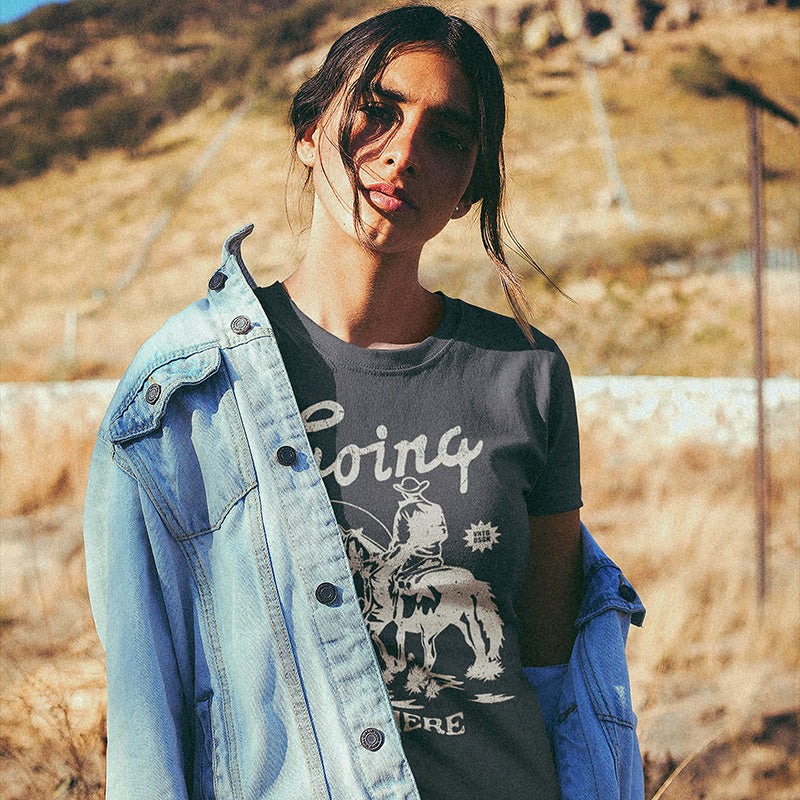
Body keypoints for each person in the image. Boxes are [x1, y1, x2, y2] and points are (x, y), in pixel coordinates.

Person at [83, 6, 645, 799]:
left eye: (447, 136)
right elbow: (146, 722)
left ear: (466, 191)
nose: (404, 151)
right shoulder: (182, 393)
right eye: (377, 111)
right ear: (310, 133)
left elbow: (554, 679)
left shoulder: (524, 374)